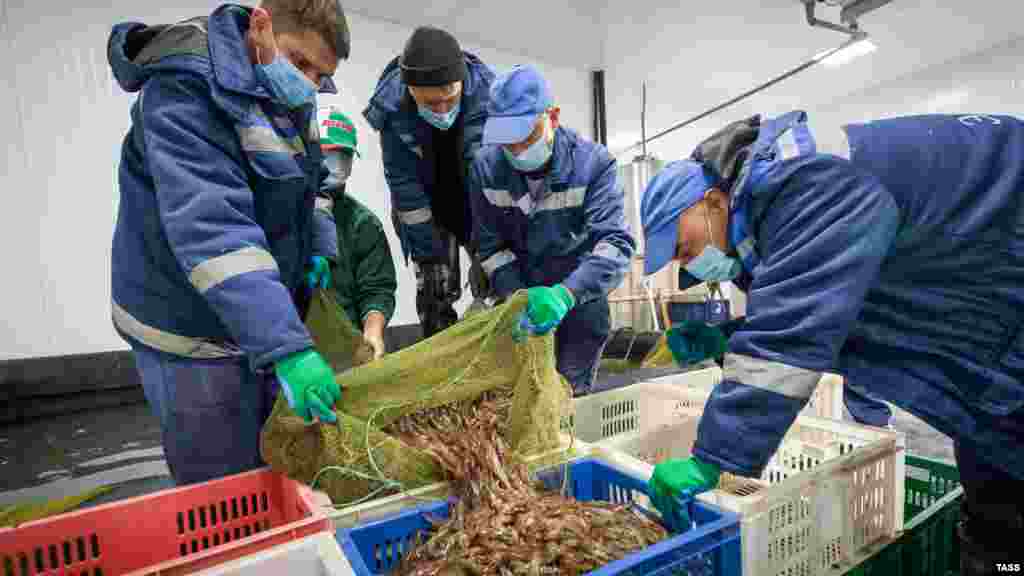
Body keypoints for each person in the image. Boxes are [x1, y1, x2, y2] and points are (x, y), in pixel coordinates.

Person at [639, 111, 1023, 574]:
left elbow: (792, 339)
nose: (690, 265)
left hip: (1003, 275)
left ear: (714, 203)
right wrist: (726, 339)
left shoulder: (809, 186)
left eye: (684, 248)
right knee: (996, 481)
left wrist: (711, 459)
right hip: (980, 325)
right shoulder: (772, 209)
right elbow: (826, 315)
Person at [107, 0, 350, 486]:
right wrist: (287, 348)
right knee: (223, 481)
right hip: (185, 329)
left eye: (320, 75)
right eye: (299, 62)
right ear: (261, 25)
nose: (307, 81)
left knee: (269, 461)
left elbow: (312, 182)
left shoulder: (293, 94)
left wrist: (318, 244)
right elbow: (214, 229)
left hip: (251, 318)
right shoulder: (185, 88)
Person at [469, 65, 635, 397]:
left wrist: (565, 294)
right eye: (507, 143)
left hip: (579, 305)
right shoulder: (485, 169)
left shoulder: (594, 164)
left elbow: (615, 244)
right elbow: (489, 247)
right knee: (522, 397)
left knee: (568, 399)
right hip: (521, 306)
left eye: (525, 137)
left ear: (553, 117)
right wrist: (518, 297)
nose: (516, 151)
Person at [362, 26, 495, 339]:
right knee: (435, 291)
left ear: (461, 81)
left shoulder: (491, 98)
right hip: (428, 210)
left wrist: (490, 245)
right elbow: (405, 189)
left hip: (476, 203)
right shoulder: (392, 112)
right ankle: (440, 347)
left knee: (494, 278)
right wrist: (428, 256)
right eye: (431, 104)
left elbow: (497, 178)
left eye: (449, 99)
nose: (443, 110)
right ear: (410, 91)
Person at [317, 106, 398, 359]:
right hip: (290, 348)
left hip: (345, 346)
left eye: (342, 156)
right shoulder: (277, 214)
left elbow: (377, 289)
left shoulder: (363, 225)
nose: (334, 165)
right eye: (325, 154)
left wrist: (372, 331)